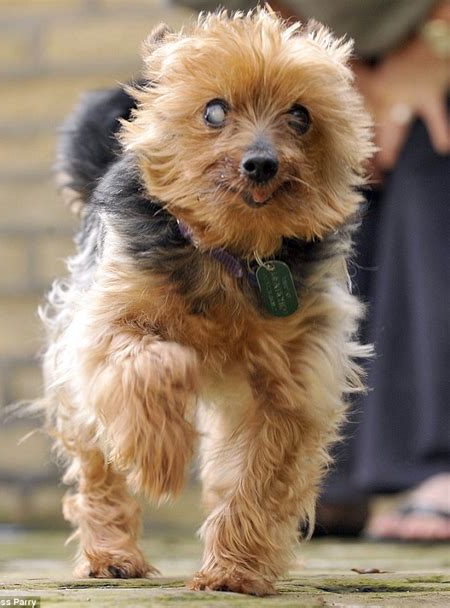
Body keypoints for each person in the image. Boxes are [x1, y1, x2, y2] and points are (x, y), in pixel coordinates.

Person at [172, 0, 450, 540]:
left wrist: (429, 53)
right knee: (300, 194)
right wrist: (323, 87)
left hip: (437, 45)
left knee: (431, 166)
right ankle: (325, 476)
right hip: (322, 62)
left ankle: (438, 463)